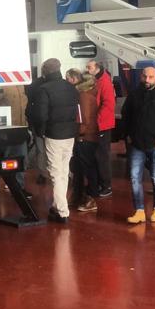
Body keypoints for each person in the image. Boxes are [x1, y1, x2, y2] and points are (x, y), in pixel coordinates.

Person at [120, 66, 155, 224]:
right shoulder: (133, 96)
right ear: (141, 77)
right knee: (134, 178)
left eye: (151, 77)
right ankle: (139, 211)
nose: (147, 80)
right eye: (145, 76)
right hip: (136, 145)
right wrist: (127, 136)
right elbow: (126, 117)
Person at [34, 58, 80, 223]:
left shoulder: (44, 89)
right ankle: (56, 205)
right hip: (70, 134)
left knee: (55, 173)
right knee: (64, 171)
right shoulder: (71, 87)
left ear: (45, 72)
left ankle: (62, 211)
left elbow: (41, 115)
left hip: (54, 135)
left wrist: (41, 131)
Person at [0, 85, 31, 202]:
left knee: (21, 161)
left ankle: (19, 189)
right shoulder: (2, 85)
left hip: (20, 129)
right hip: (5, 131)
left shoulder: (21, 85)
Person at [86, 59, 116, 198]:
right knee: (96, 155)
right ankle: (99, 183)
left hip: (102, 125)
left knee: (102, 156)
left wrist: (96, 119)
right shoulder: (98, 80)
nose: (87, 69)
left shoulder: (104, 82)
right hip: (98, 124)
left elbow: (108, 104)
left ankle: (106, 185)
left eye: (89, 67)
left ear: (97, 68)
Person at [72, 72, 101, 213]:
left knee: (86, 168)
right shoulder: (91, 95)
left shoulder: (83, 96)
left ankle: (90, 198)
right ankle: (83, 196)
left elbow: (84, 118)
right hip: (91, 135)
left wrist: (79, 134)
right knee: (88, 167)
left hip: (85, 137)